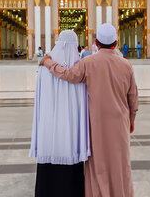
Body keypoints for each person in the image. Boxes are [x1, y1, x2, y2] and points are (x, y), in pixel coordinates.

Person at [40, 23, 138, 197]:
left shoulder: (88, 63)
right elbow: (133, 98)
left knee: (98, 165)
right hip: (120, 124)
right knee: (120, 164)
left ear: (97, 43)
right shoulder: (126, 65)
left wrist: (49, 63)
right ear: (116, 43)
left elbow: (68, 75)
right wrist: (131, 120)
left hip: (97, 125)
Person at [30, 30, 90, 197]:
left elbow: (40, 101)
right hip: (71, 132)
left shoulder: (43, 69)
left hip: (48, 130)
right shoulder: (79, 71)